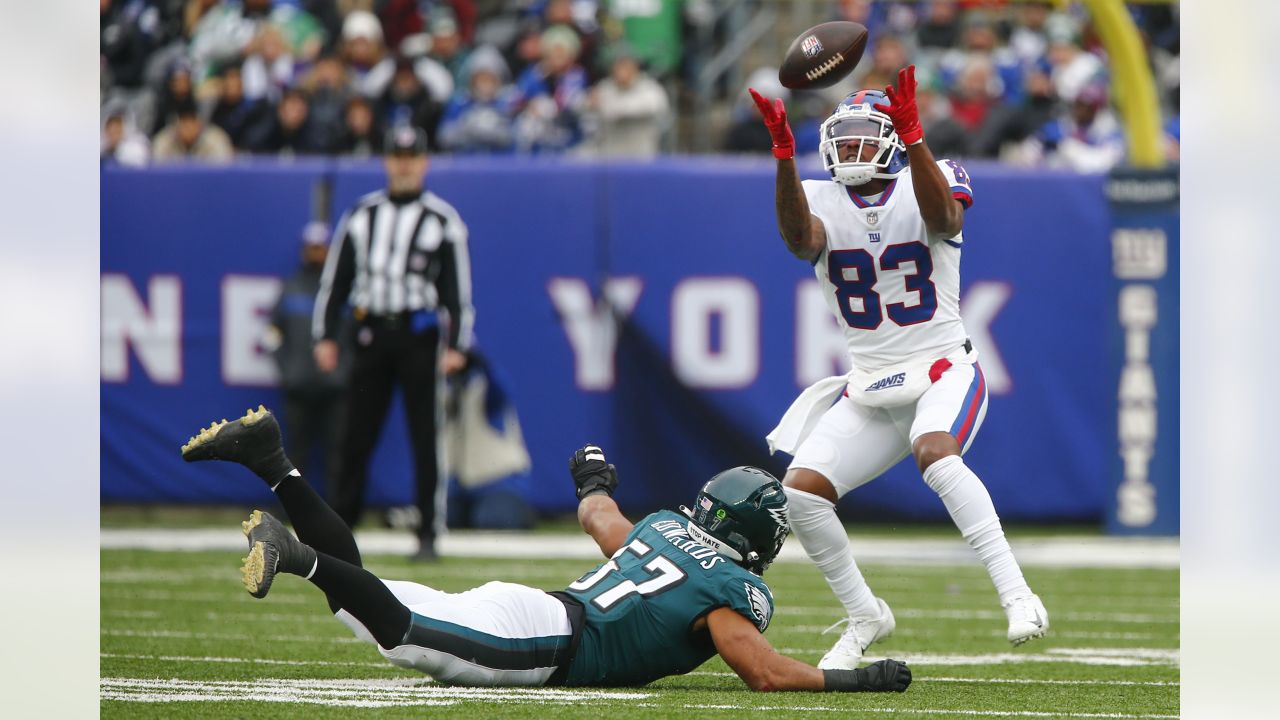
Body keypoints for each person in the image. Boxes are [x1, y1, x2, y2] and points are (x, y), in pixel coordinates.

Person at [178, 405, 912, 692]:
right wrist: (858, 682)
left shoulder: (659, 528)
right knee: (397, 634)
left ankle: (276, 462)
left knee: (369, 598)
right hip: (543, 643)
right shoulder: (733, 593)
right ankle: (293, 550)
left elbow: (598, 515)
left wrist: (593, 475)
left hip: (532, 608)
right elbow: (762, 671)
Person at [748, 65, 1049, 671]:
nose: (850, 147)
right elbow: (799, 240)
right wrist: (783, 154)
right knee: (800, 495)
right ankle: (866, 616)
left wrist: (915, 137)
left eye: (865, 135)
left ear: (891, 135)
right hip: (869, 385)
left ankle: (1019, 594)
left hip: (942, 368)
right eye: (843, 135)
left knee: (936, 453)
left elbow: (945, 221)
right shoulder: (819, 195)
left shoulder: (930, 179)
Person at [312, 125, 474, 562]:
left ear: (423, 162)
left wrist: (457, 343)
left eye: (412, 157)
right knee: (355, 436)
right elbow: (336, 282)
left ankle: (428, 533)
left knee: (426, 438)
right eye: (397, 156)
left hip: (418, 336)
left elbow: (457, 292)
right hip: (369, 334)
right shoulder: (361, 215)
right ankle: (340, 530)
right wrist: (325, 334)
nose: (404, 165)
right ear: (387, 160)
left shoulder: (442, 220)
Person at [264, 221, 349, 487]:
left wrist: (345, 371)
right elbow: (272, 334)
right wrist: (287, 369)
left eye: (321, 248)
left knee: (339, 451)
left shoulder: (342, 290)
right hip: (299, 386)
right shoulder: (291, 288)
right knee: (295, 452)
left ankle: (339, 512)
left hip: (334, 387)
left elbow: (356, 338)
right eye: (312, 248)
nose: (316, 253)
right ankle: (295, 506)